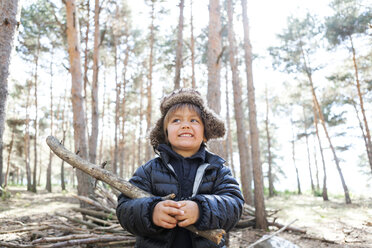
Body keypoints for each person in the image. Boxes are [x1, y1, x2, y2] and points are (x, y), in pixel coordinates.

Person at [116, 88, 244, 248]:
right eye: (176, 120)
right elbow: (124, 209)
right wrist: (151, 212)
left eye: (194, 121)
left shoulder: (217, 170)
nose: (185, 125)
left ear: (205, 133)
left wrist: (201, 209)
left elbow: (234, 204)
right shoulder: (148, 171)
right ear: (165, 132)